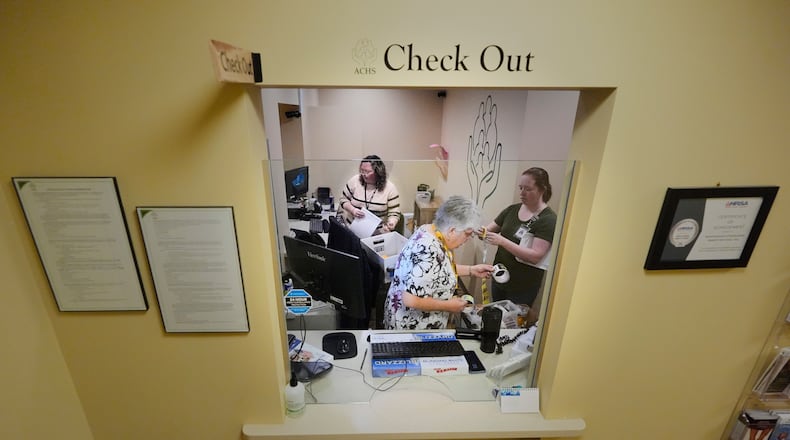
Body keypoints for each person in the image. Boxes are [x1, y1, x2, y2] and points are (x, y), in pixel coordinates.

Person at [384, 195, 495, 330]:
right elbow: (410, 299)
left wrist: (471, 270)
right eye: (467, 234)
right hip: (411, 327)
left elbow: (437, 267)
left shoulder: (430, 229)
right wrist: (448, 305)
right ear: (452, 231)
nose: (468, 239)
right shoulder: (427, 249)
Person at [480, 167, 557, 313]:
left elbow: (535, 256)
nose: (522, 193)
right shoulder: (512, 210)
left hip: (523, 285)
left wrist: (502, 241)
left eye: (528, 189)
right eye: (520, 188)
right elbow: (488, 231)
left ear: (542, 190)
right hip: (500, 276)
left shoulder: (548, 220)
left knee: (512, 326)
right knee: (496, 318)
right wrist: (478, 231)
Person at [338, 155, 401, 233]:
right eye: (362, 171)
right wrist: (353, 210)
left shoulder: (390, 188)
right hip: (352, 229)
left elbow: (394, 211)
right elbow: (343, 200)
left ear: (378, 172)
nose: (363, 174)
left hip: (377, 233)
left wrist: (392, 222)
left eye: (367, 172)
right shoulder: (354, 181)